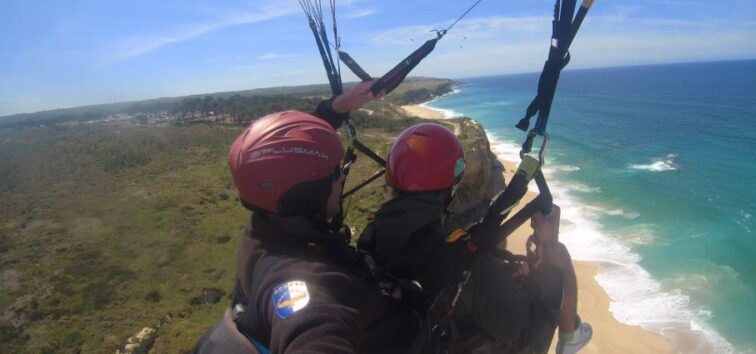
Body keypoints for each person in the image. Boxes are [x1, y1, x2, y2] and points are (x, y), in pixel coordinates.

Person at [193, 81, 419, 354]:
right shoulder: (303, 286)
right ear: (308, 193)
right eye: (337, 172)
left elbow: (288, 155)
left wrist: (335, 109)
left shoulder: (266, 225)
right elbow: (315, 332)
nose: (344, 176)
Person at [357, 123, 592, 353]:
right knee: (559, 256)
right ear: (451, 184)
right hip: (450, 334)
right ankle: (569, 340)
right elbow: (533, 338)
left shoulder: (371, 237)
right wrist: (550, 246)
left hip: (413, 318)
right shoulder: (466, 266)